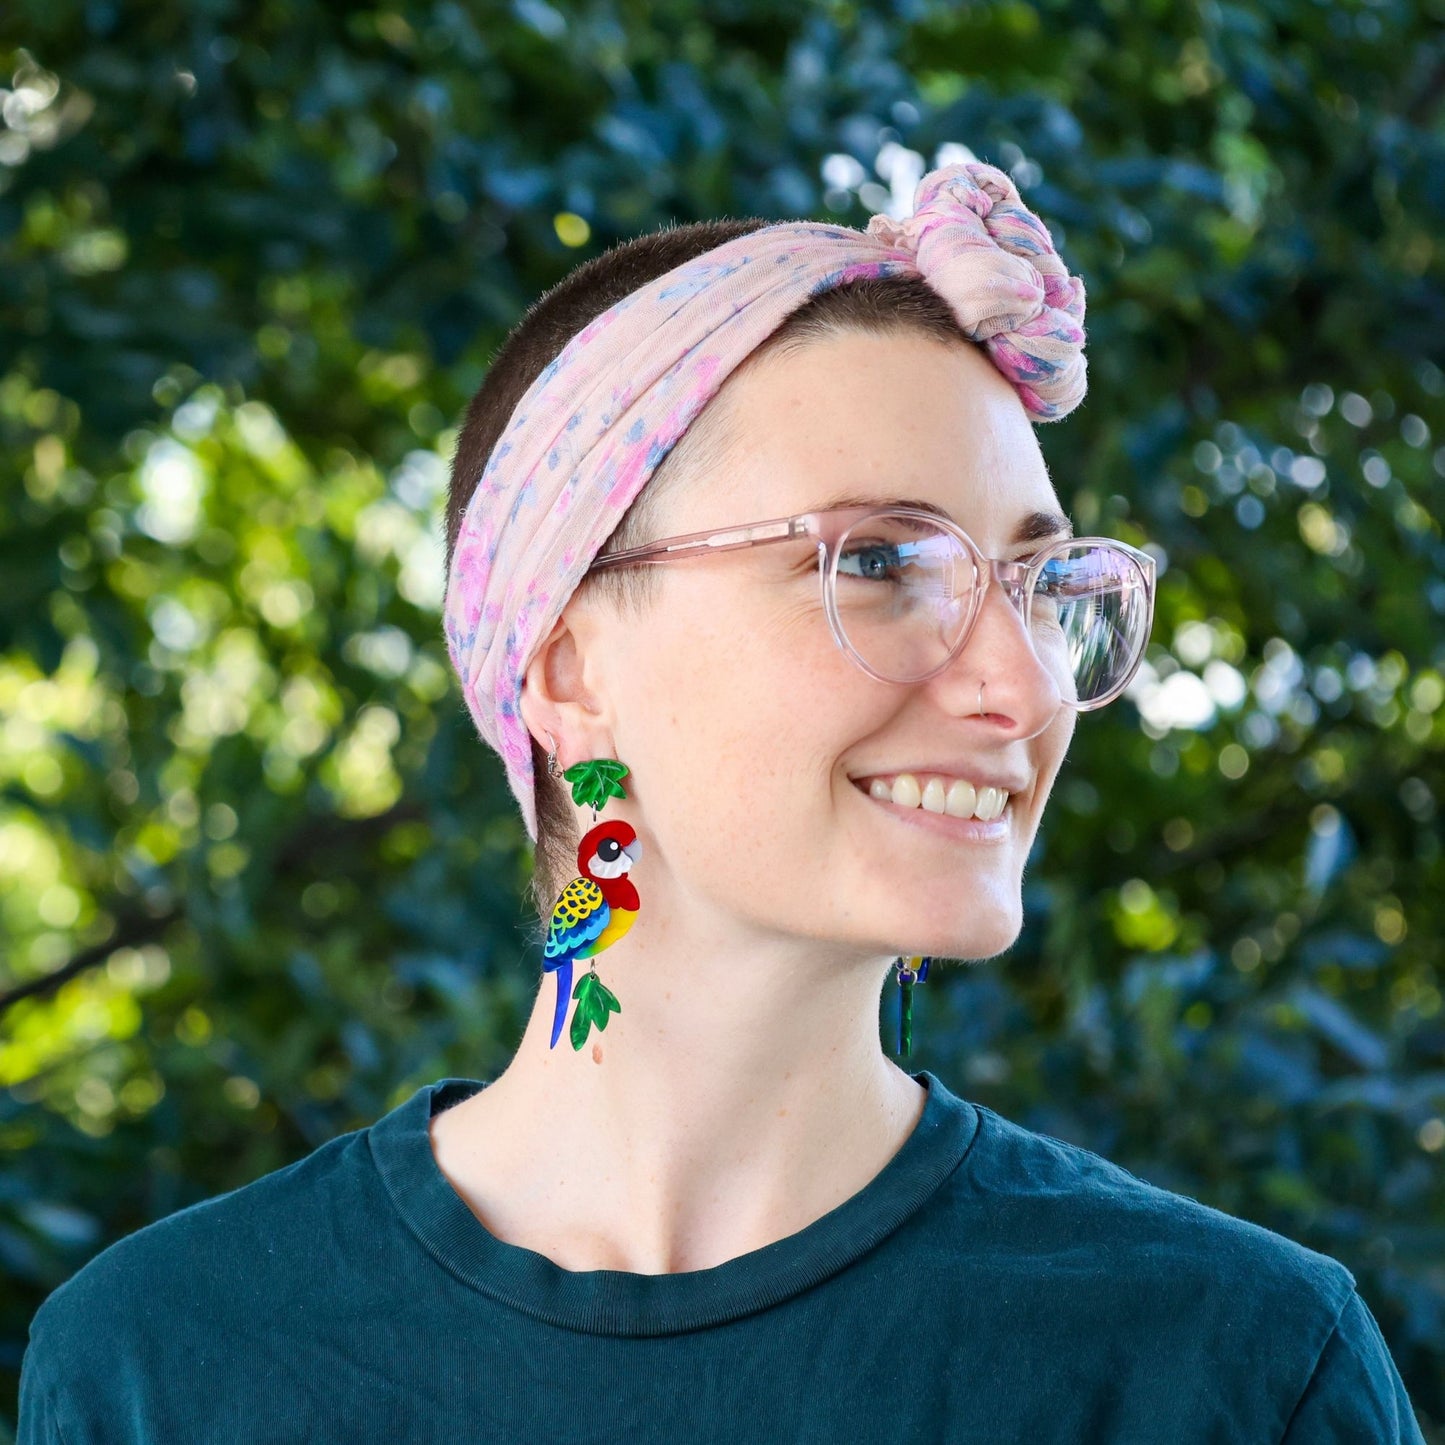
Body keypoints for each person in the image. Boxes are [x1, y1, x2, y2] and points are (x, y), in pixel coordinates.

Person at [17, 163, 1425, 1443]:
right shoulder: (162, 1364)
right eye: (879, 562)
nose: (1021, 686)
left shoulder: (1235, 1370)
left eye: (1043, 586)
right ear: (570, 669)